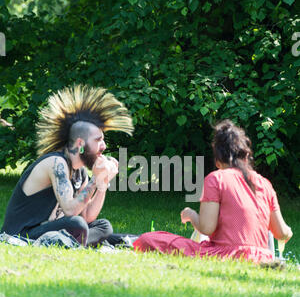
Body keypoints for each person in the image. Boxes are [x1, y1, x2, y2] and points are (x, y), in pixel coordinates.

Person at [134, 119, 293, 263]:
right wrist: (288, 232)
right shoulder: (264, 183)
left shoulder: (217, 179)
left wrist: (191, 215)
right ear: (245, 155)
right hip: (262, 257)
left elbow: (207, 228)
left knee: (148, 239)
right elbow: (281, 232)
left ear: (218, 158)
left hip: (225, 255)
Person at [1, 85, 134, 247]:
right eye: (98, 140)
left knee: (103, 226)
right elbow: (71, 211)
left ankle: (72, 243)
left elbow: (87, 216)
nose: (104, 146)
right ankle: (78, 243)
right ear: (81, 144)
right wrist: (94, 180)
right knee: (77, 224)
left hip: (52, 230)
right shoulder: (56, 163)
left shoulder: (80, 171)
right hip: (22, 234)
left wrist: (102, 183)